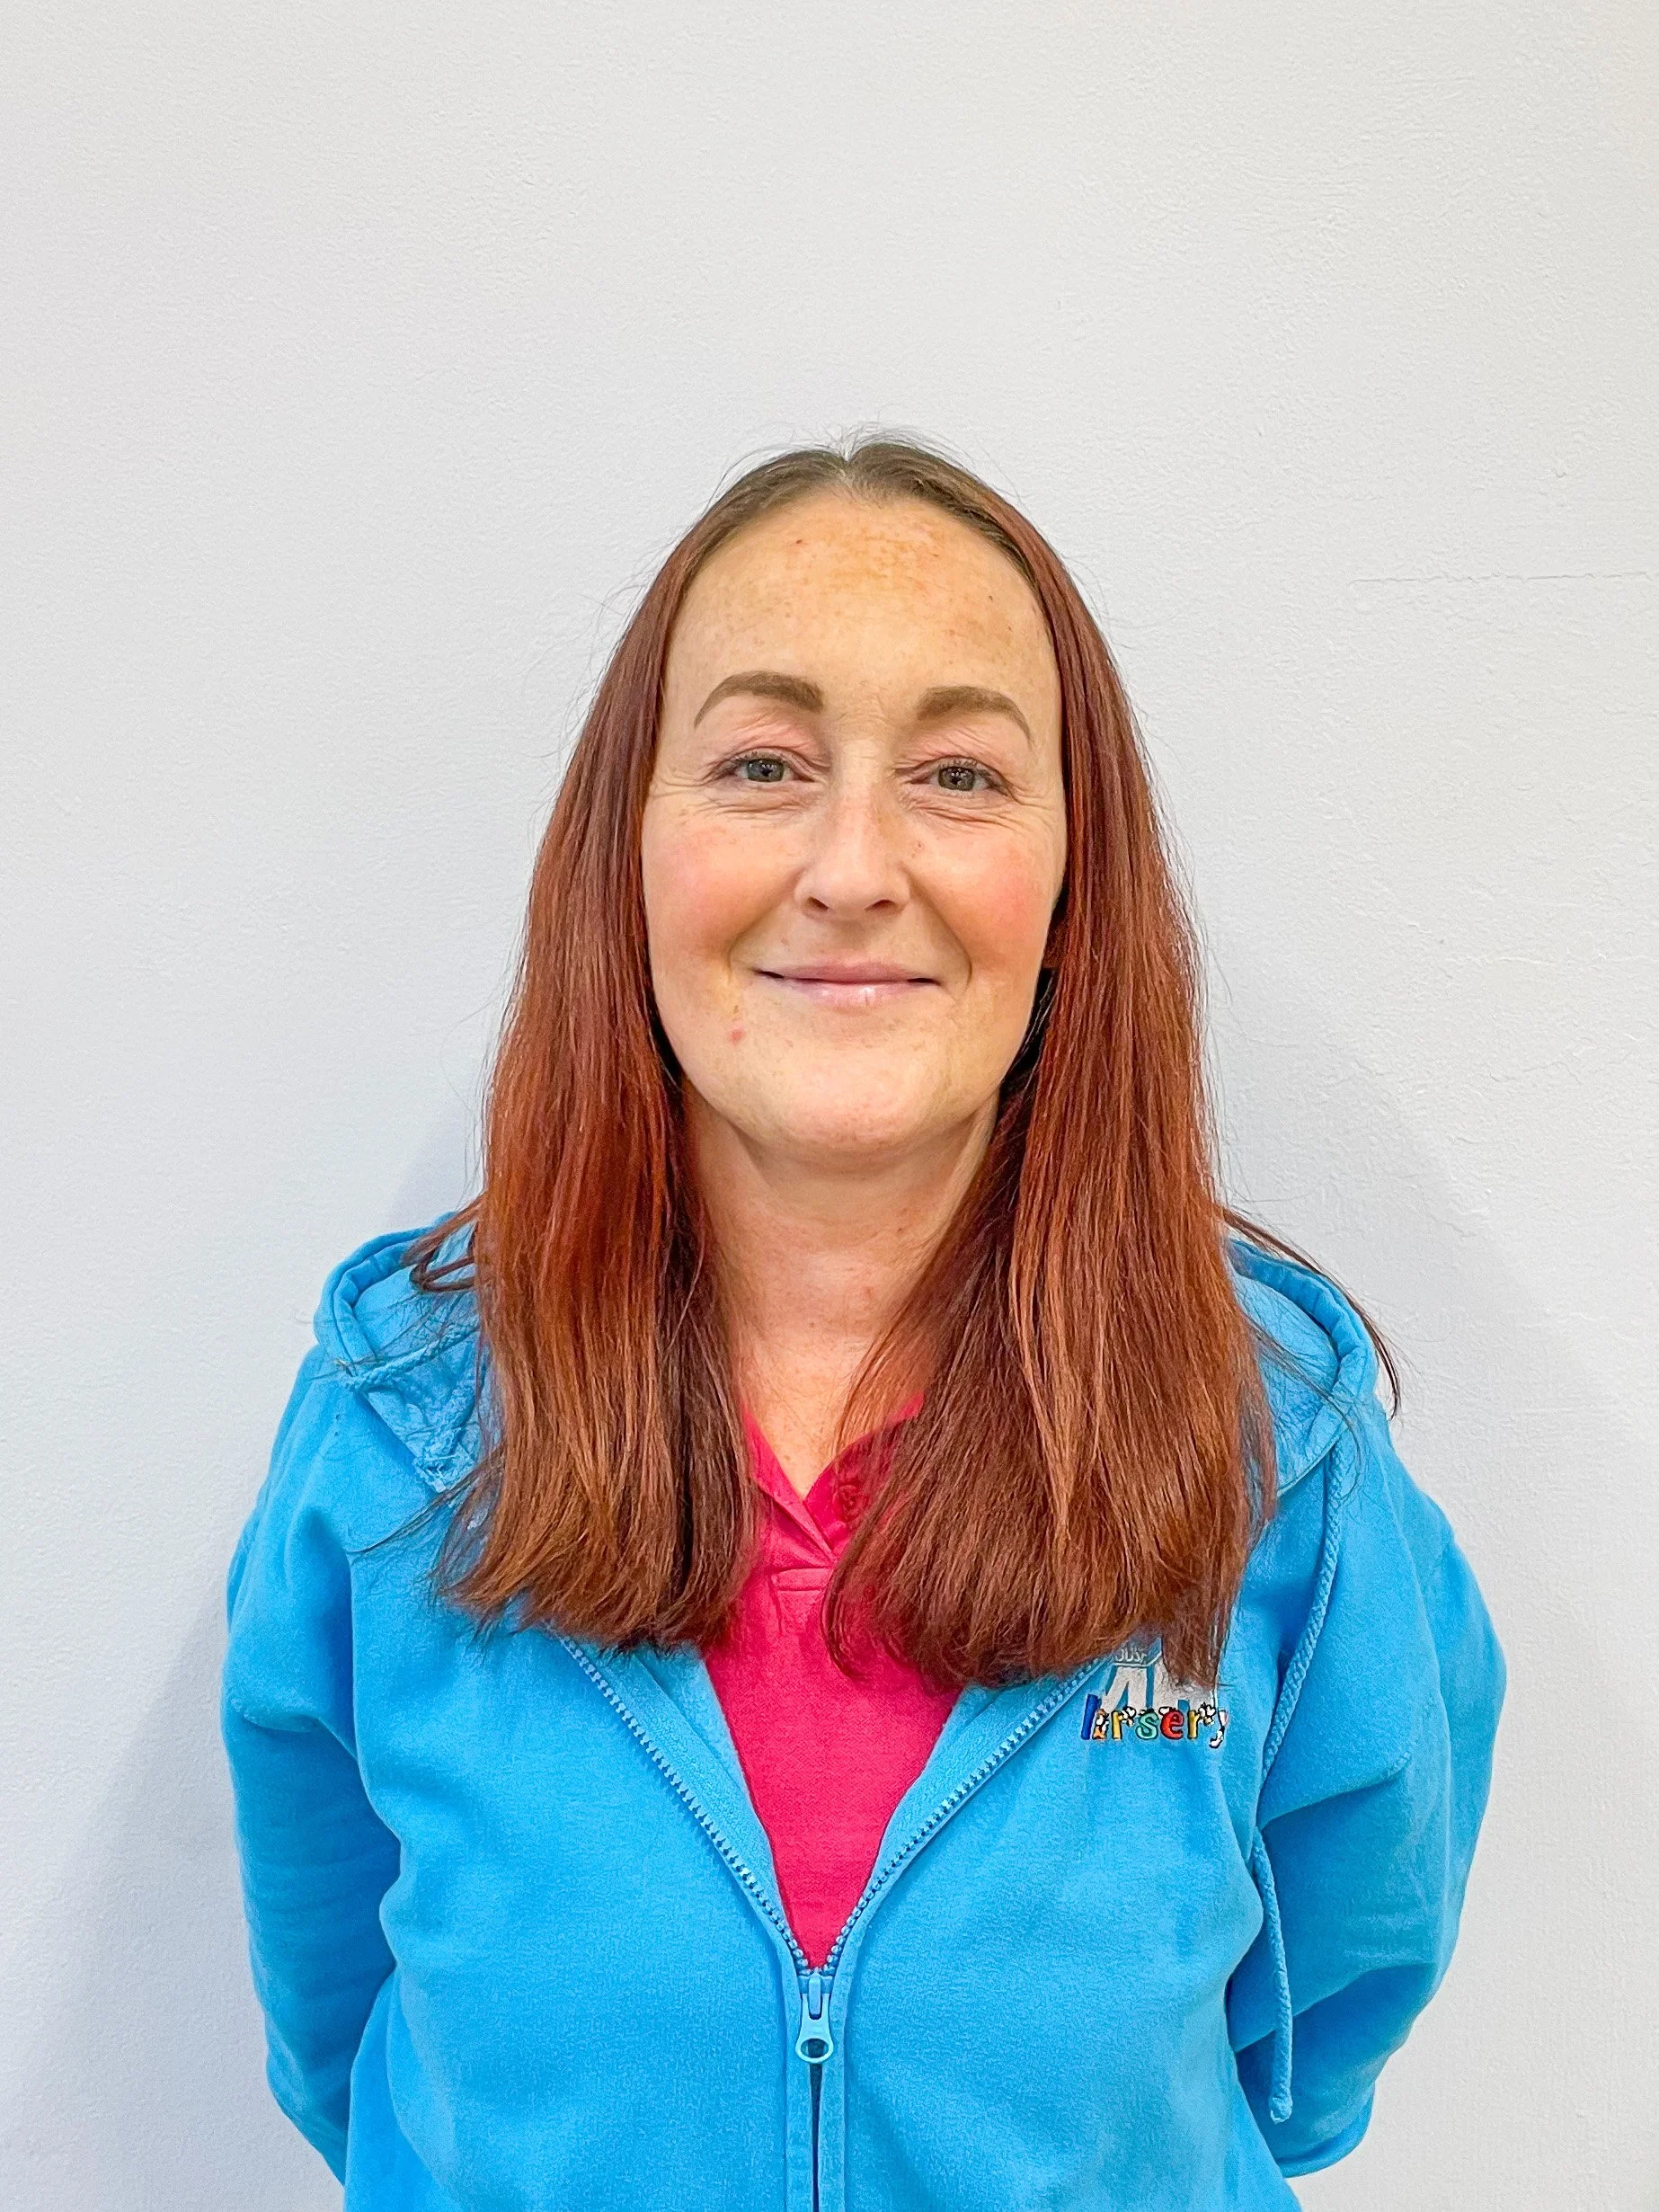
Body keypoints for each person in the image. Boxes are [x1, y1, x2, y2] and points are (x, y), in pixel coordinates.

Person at [221, 436, 1505, 2212]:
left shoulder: (1275, 1455)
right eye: (759, 762)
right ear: (630, 860)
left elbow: (1318, 2025)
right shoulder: (398, 1438)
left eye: (959, 774)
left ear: (1071, 888)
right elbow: (344, 2030)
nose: (849, 866)